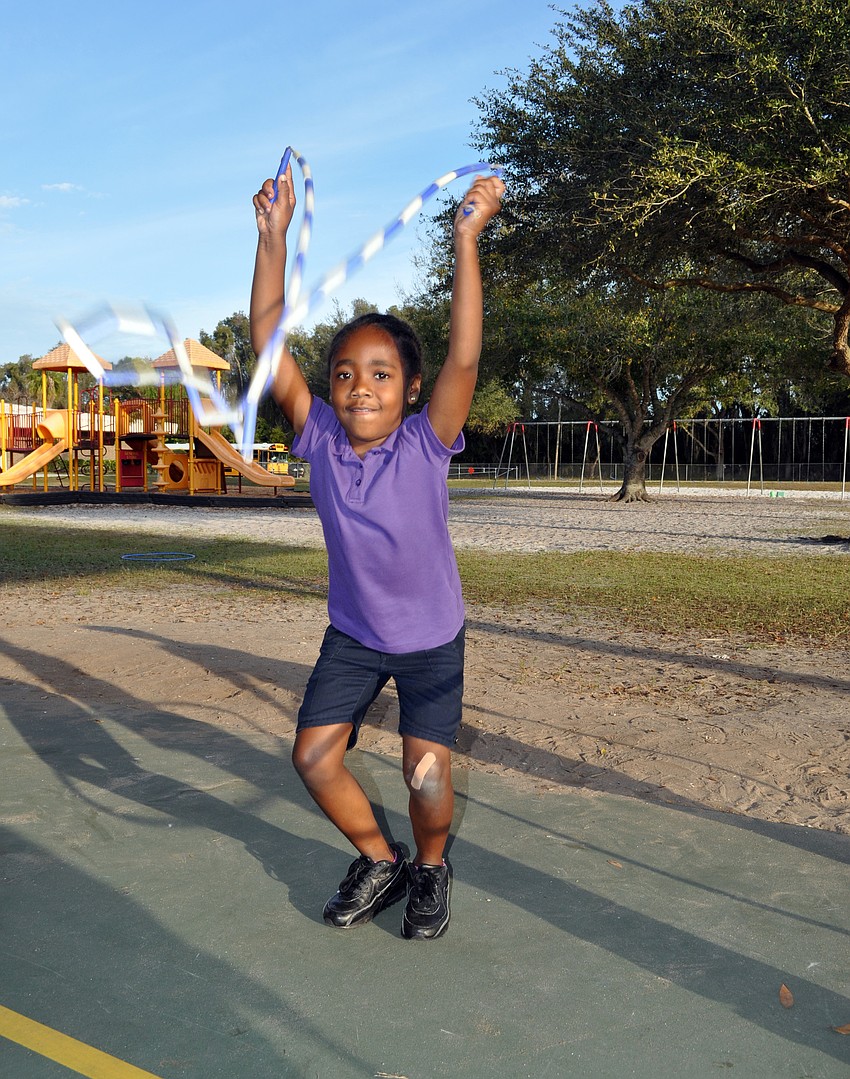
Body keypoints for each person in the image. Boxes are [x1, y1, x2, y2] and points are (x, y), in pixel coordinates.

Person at [250, 162, 505, 939]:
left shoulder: (427, 440)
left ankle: (430, 865)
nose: (360, 386)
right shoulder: (320, 438)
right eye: (345, 374)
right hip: (356, 634)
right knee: (312, 756)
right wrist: (272, 237)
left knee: (424, 773)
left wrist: (466, 239)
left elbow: (464, 358)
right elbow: (268, 340)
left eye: (381, 374)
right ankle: (379, 857)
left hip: (430, 639)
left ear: (411, 388)